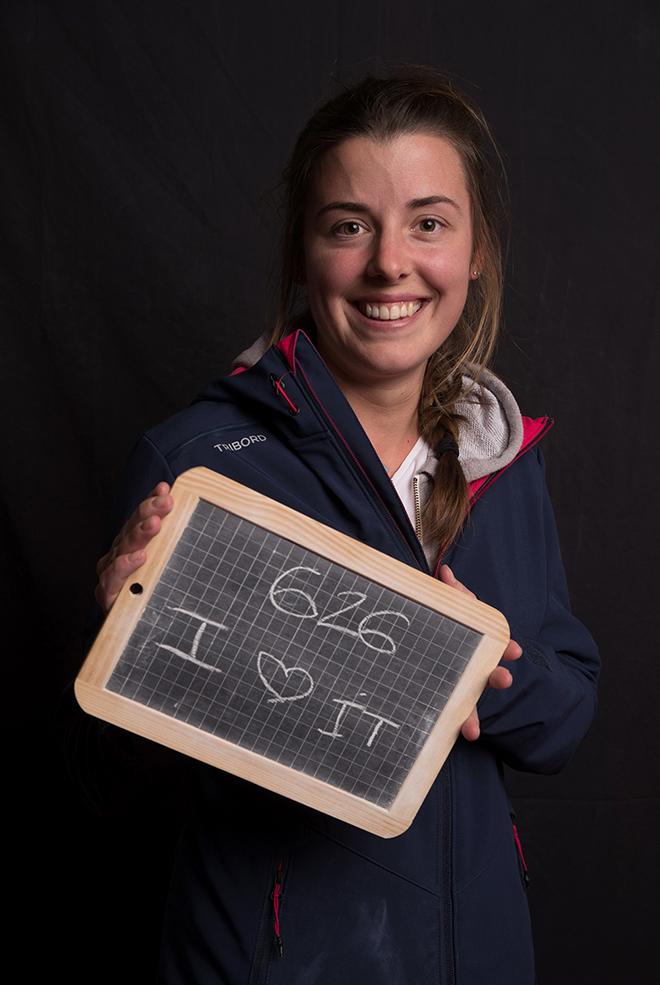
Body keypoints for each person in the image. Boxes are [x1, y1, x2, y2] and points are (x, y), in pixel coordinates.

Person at [67, 66, 600, 984]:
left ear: (474, 252)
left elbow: (567, 714)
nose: (390, 262)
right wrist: (126, 644)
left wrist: (486, 674)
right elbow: (106, 783)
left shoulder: (502, 461)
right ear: (303, 254)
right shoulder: (196, 462)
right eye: (350, 225)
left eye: (429, 223)